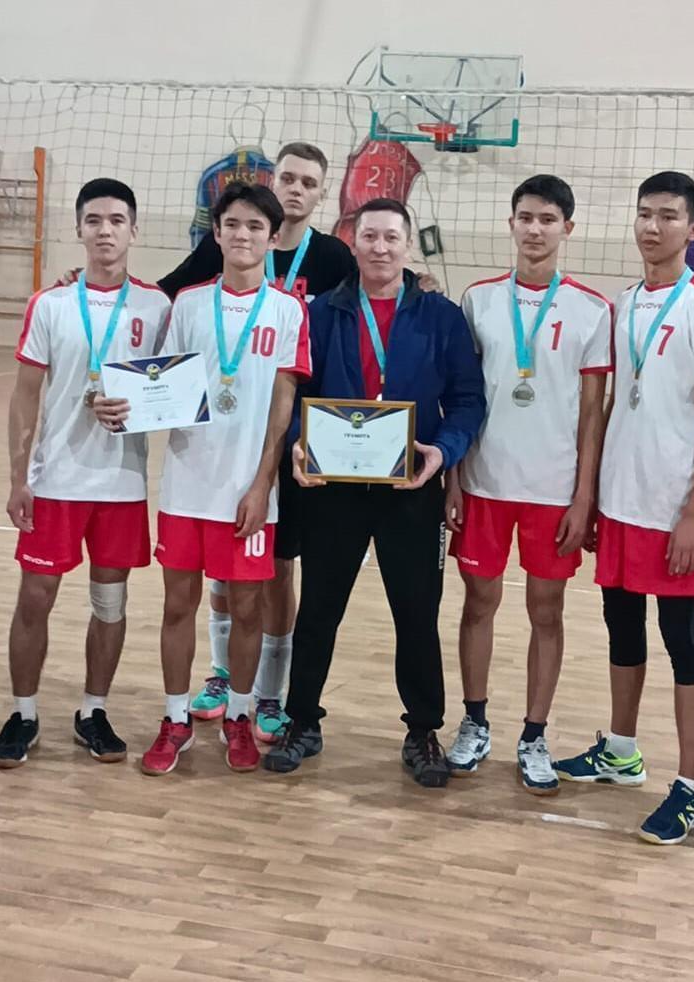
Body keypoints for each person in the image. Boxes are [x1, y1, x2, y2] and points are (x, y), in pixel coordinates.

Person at [263, 197, 486, 788]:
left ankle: (423, 730)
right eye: (369, 237)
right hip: (332, 487)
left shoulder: (441, 316)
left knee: (416, 615)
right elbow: (293, 393)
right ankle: (302, 721)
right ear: (352, 241)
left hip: (411, 486)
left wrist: (443, 452)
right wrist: (297, 446)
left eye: (391, 237)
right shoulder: (319, 312)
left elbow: (468, 399)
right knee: (318, 610)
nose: (380, 247)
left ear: (407, 245)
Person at [554, 171, 694, 845]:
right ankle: (621, 750)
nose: (652, 226)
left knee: (682, 639)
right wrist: (593, 495)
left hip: (675, 510)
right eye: (644, 214)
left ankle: (689, 787)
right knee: (621, 627)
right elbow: (610, 405)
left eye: (668, 216)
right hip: (621, 502)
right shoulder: (625, 302)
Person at [99, 182, 310, 774]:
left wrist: (263, 483)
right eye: (233, 224)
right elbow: (160, 386)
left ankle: (239, 715)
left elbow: (283, 405)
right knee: (178, 606)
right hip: (186, 486)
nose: (243, 235)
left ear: (273, 237)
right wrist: (121, 404)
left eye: (255, 227)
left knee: (247, 609)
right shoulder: (187, 304)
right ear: (215, 233)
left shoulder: (288, 310)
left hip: (248, 491)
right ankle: (175, 720)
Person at [161, 142, 353, 740]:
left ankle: (267, 692)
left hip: (292, 447)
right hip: (211, 460)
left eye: (309, 182)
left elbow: (363, 310)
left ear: (321, 193)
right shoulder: (212, 264)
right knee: (222, 580)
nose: (297, 189)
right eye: (288, 178)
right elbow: (161, 300)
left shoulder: (334, 257)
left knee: (276, 572)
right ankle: (223, 677)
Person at [0, 178, 170, 768]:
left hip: (121, 485)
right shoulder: (51, 304)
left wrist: (135, 408)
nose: (105, 231)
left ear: (134, 231)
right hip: (56, 481)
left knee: (110, 604)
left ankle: (94, 711)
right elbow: (25, 394)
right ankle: (23, 714)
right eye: (94, 220)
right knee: (34, 598)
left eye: (116, 220)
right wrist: (19, 477)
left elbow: (172, 389)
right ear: (78, 229)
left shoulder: (157, 307)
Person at [444, 175, 611, 793]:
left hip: (554, 491)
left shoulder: (593, 309)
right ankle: (475, 721)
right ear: (510, 223)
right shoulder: (478, 300)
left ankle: (535, 734)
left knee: (547, 610)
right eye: (525, 217)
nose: (534, 229)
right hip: (484, 482)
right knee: (478, 604)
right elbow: (460, 397)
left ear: (568, 228)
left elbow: (592, 414)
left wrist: (584, 497)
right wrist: (454, 480)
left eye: (547, 219)